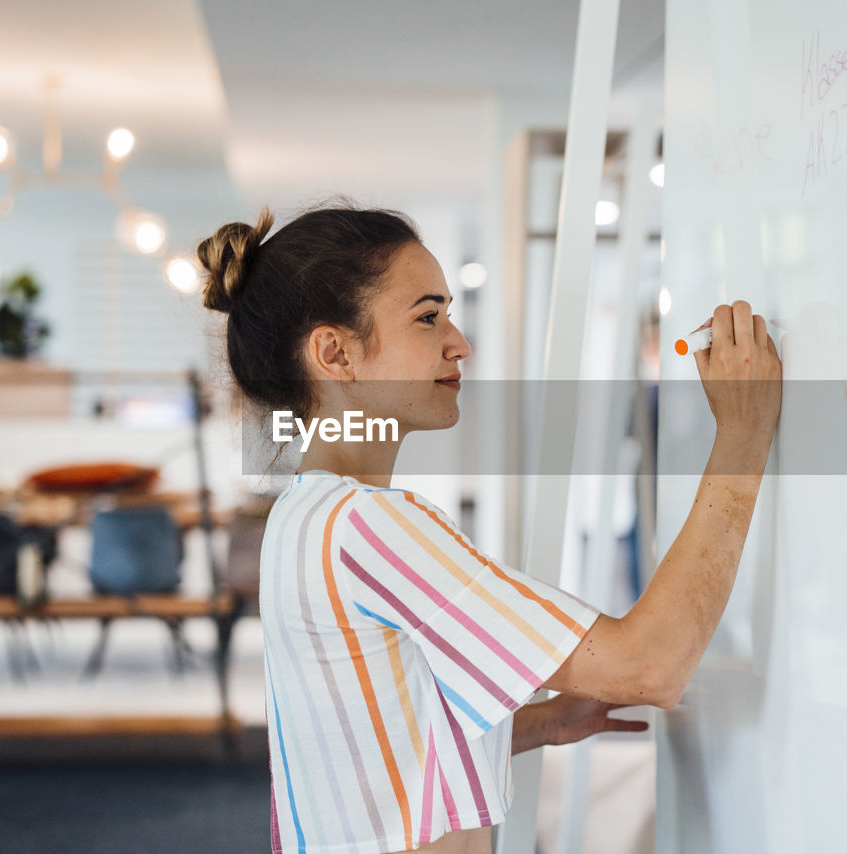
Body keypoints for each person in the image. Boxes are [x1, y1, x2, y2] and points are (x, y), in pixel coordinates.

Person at [197, 201, 782, 854]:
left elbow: (361, 737)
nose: (460, 343)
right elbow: (650, 667)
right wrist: (745, 430)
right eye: (428, 316)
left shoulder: (302, 515)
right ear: (336, 353)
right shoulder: (369, 527)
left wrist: (532, 726)